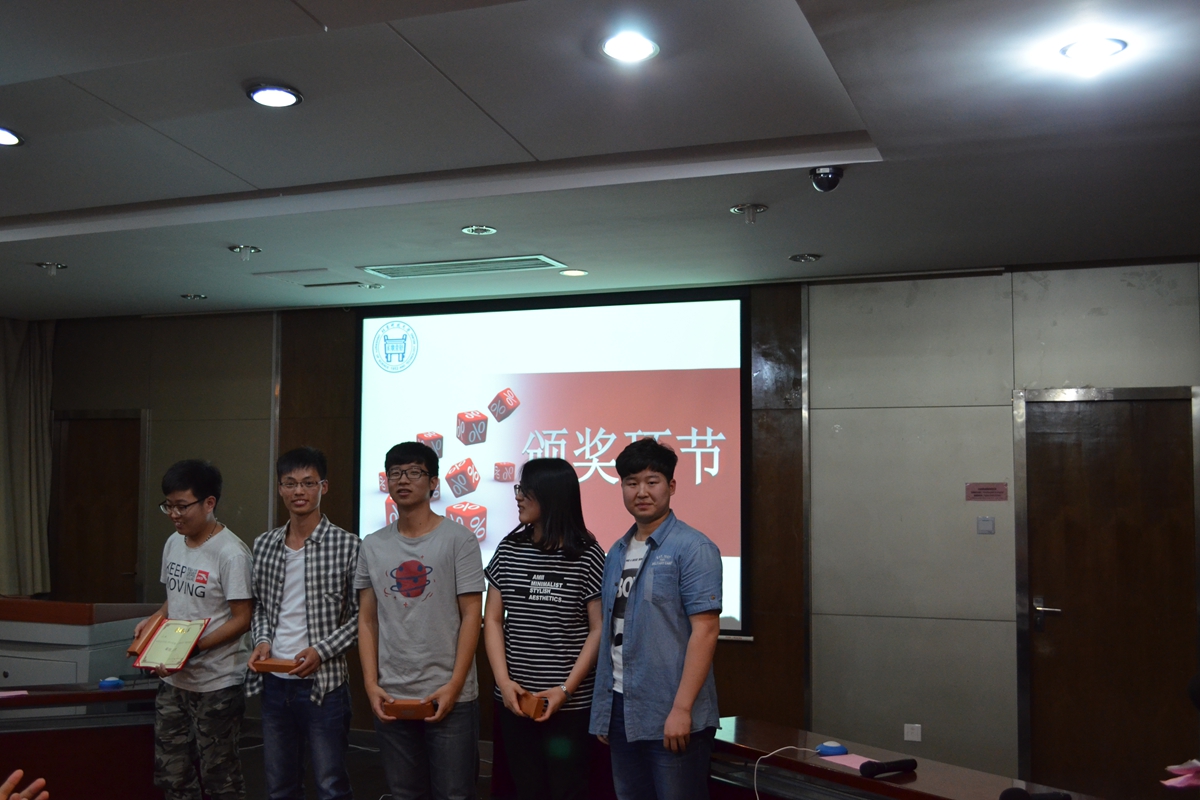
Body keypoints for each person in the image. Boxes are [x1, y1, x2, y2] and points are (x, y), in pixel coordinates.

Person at [589, 438, 722, 800]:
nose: (642, 492)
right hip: (620, 707)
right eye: (631, 483)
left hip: (671, 710)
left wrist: (682, 709)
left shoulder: (693, 548)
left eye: (652, 481)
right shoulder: (616, 551)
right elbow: (611, 631)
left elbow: (706, 631)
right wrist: (604, 711)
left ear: (671, 486)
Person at [355, 441, 485, 800]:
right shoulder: (372, 545)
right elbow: (367, 620)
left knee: (454, 793)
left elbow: (472, 615)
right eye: (395, 473)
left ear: (433, 483)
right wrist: (371, 684)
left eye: (414, 472)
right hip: (392, 693)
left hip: (450, 694)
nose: (403, 480)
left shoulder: (459, 540)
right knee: (404, 792)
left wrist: (454, 686)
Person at [483, 458, 606, 800]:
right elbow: (493, 620)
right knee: (525, 788)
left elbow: (598, 630)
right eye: (519, 489)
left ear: (552, 496)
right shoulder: (509, 549)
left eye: (526, 491)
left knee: (568, 789)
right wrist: (504, 683)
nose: (518, 497)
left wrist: (565, 690)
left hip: (571, 705)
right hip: (515, 700)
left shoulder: (588, 555)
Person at [133, 459, 253, 800]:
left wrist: (193, 649)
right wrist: (152, 621)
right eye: (168, 506)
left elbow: (243, 618)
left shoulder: (231, 553)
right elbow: (174, 600)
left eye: (182, 506)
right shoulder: (174, 542)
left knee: (220, 778)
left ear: (209, 503)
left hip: (217, 682)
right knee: (172, 773)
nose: (174, 514)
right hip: (173, 679)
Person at [246, 447, 361, 800]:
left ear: (323, 487)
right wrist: (262, 641)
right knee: (280, 785)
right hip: (274, 683)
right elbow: (260, 606)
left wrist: (321, 651)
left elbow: (363, 618)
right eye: (290, 483)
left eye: (308, 483)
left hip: (324, 685)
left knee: (331, 785)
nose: (299, 491)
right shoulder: (264, 544)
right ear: (280, 488)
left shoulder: (348, 545)